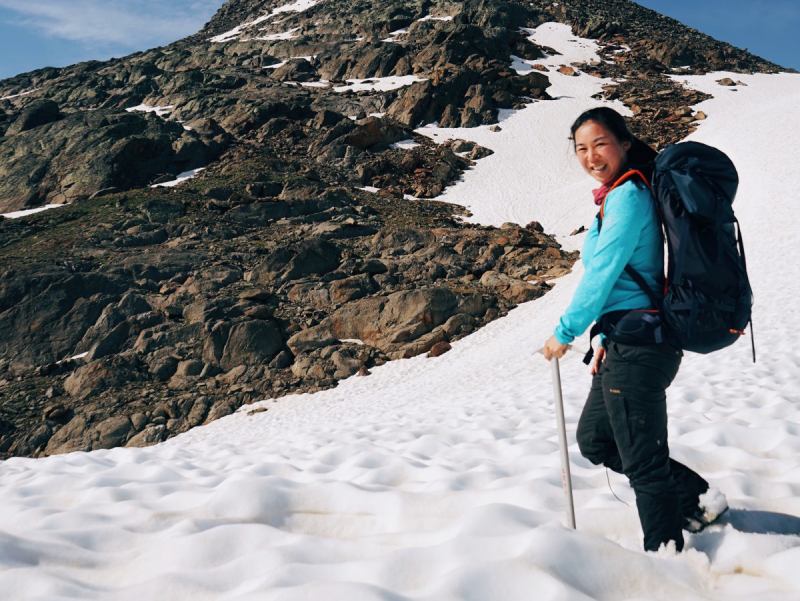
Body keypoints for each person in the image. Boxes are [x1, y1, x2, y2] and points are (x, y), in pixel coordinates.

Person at [542, 107, 727, 552]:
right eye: (581, 148)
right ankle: (700, 500)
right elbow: (629, 279)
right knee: (596, 439)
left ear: (625, 144)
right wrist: (602, 335)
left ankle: (665, 558)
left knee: (642, 463)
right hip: (623, 338)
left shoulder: (627, 196)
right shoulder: (616, 195)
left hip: (641, 347)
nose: (591, 155)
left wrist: (565, 332)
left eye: (600, 144)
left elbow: (604, 271)